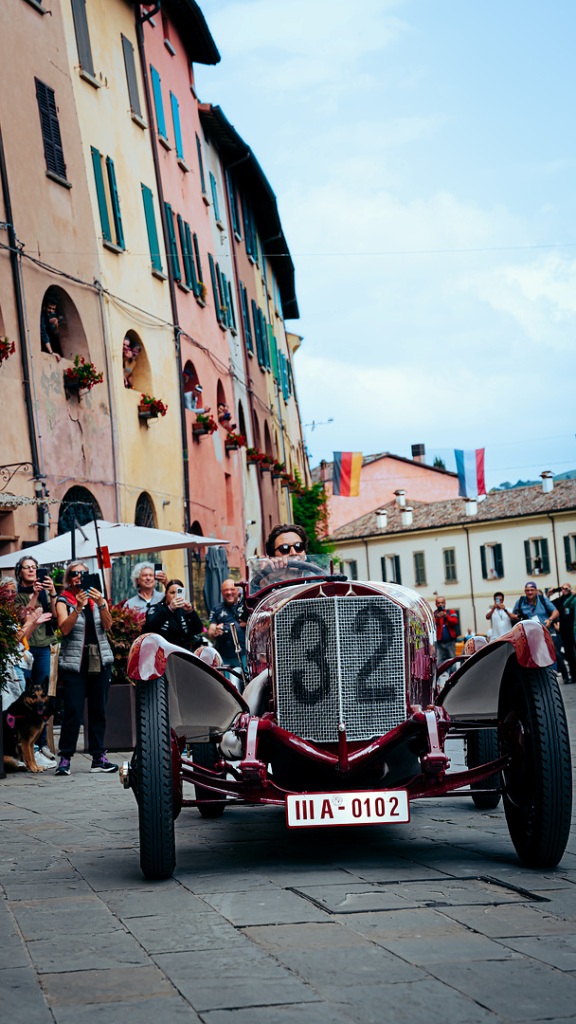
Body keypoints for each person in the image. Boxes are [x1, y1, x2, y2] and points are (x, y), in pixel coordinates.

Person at [54, 561, 117, 776]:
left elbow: (108, 626)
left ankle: (99, 756)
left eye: (84, 573)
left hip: (99, 659)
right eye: (74, 574)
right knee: (73, 709)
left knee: (98, 708)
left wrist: (100, 603)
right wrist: (78, 608)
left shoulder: (99, 598)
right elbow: (64, 629)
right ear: (68, 578)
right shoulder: (64, 600)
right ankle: (65, 757)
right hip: (75, 662)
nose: (79, 576)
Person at [14, 556, 58, 764]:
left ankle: (41, 745)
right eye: (27, 567)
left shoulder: (45, 590)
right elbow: (25, 618)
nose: (32, 571)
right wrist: (36, 594)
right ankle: (25, 746)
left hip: (44, 646)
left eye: (35, 567)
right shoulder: (15, 594)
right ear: (19, 571)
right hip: (26, 649)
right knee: (25, 696)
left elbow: (56, 616)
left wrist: (52, 593)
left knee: (44, 698)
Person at [142, 579, 204, 650]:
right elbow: (150, 626)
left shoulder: (184, 610)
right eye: (172, 593)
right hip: (161, 653)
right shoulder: (156, 608)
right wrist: (170, 609)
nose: (175, 596)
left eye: (178, 593)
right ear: (166, 594)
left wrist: (190, 612)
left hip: (183, 654)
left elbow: (198, 629)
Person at [207, 578, 247, 677]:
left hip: (244, 655)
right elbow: (210, 632)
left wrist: (247, 624)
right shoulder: (217, 609)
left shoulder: (246, 606)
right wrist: (215, 632)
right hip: (224, 656)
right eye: (226, 590)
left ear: (237, 590)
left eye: (232, 589)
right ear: (221, 592)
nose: (229, 592)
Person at [550, 583, 576, 683]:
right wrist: (549, 594)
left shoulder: (573, 598)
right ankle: (573, 676)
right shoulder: (560, 600)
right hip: (564, 630)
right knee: (569, 653)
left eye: (565, 588)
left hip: (572, 628)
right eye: (562, 588)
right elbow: (549, 605)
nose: (563, 590)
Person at [433, 596, 459, 664]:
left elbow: (455, 622)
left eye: (442, 602)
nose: (441, 604)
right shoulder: (434, 614)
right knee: (438, 661)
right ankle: (440, 674)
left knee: (452, 660)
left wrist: (446, 616)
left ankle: (453, 674)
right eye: (438, 603)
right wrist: (438, 617)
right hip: (439, 643)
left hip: (450, 641)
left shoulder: (450, 612)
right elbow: (431, 625)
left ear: (445, 603)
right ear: (436, 604)